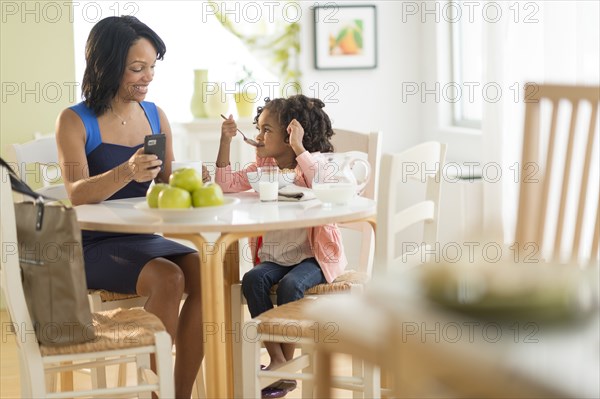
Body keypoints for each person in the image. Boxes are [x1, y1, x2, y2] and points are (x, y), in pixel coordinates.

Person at [56, 16, 205, 398]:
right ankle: (158, 394)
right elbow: (75, 192)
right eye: (137, 68)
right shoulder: (74, 120)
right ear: (106, 66)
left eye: (152, 67)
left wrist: (195, 178)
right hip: (91, 245)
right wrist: (126, 171)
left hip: (143, 239)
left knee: (207, 274)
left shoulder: (155, 115)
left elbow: (169, 184)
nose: (147, 77)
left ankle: (179, 394)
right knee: (169, 278)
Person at [215, 95, 348, 398]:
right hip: (275, 257)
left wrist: (300, 149)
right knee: (252, 279)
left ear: (290, 135)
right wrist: (225, 142)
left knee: (290, 286)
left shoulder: (314, 164)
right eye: (258, 130)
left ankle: (281, 368)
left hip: (313, 259)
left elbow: (327, 184)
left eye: (266, 131)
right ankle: (279, 360)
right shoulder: (265, 167)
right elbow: (225, 185)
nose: (259, 138)